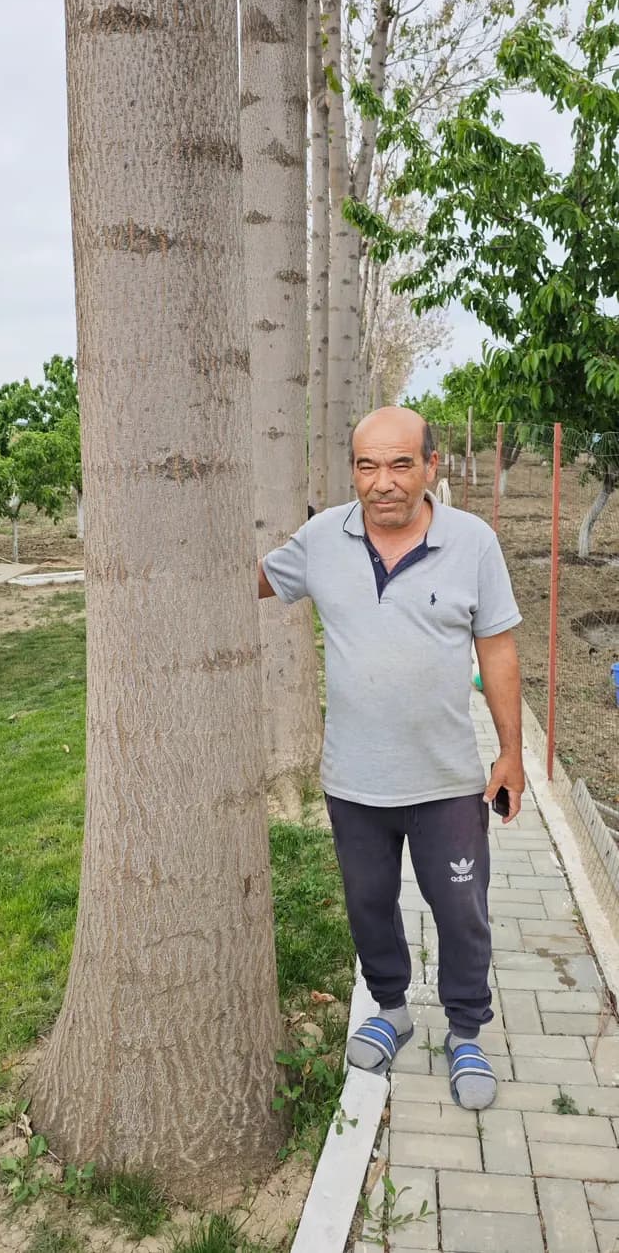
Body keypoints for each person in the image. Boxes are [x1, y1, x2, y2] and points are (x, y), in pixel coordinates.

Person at [257, 407, 524, 1110]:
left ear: (429, 466)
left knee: (460, 911)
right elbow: (249, 581)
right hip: (354, 781)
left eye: (400, 463)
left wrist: (511, 752)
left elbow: (496, 647)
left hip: (445, 781)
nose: (382, 482)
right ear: (352, 471)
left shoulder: (472, 543)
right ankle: (391, 1009)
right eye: (367, 465)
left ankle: (465, 1029)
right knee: (370, 904)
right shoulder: (321, 538)